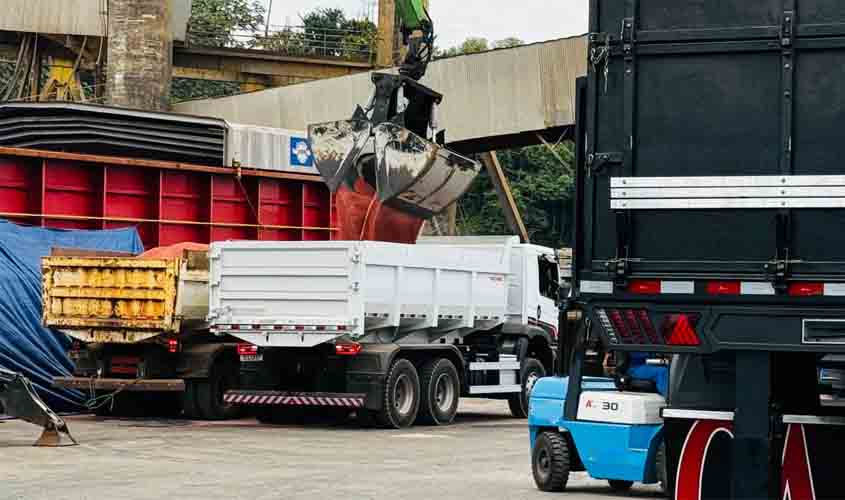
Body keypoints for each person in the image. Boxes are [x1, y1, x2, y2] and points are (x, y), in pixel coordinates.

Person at [604, 351, 669, 397]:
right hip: (633, 368)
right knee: (661, 371)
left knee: (668, 368)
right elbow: (640, 352)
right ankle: (667, 396)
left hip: (641, 365)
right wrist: (655, 352)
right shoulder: (631, 342)